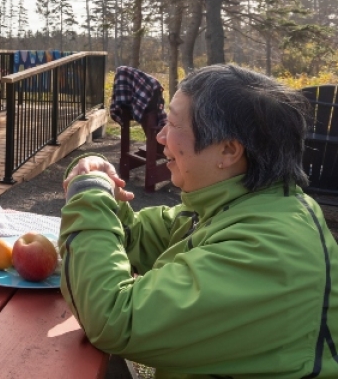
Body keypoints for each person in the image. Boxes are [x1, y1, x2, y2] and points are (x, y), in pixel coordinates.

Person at [59, 64, 338, 378]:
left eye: (174, 124)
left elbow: (115, 318)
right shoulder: (237, 205)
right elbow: (136, 236)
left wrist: (88, 192)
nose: (161, 136)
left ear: (228, 150)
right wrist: (98, 184)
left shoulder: (268, 248)